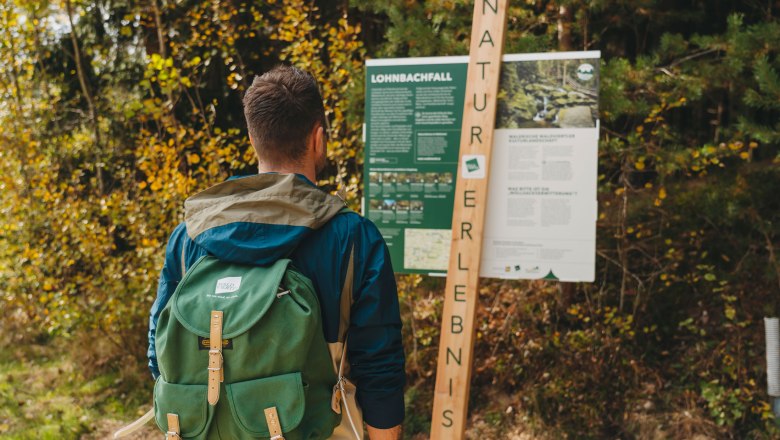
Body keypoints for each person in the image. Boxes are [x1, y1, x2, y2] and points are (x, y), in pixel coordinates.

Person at [147, 65, 405, 439]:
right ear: (319, 138)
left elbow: (161, 351)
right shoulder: (353, 237)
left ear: (254, 139)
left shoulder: (190, 235)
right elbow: (379, 368)